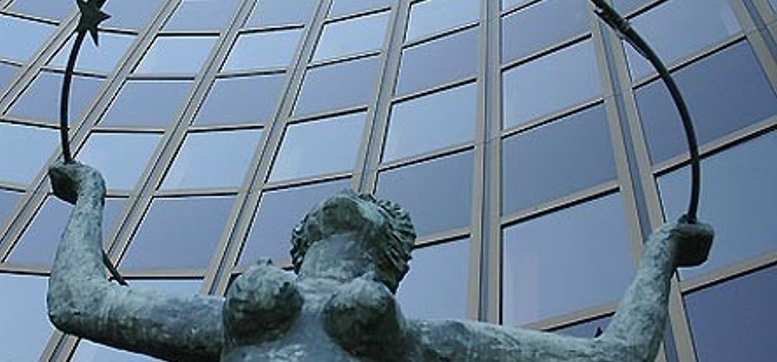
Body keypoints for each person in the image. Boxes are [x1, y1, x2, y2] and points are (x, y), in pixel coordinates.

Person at [47, 161, 713, 362]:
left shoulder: (421, 339)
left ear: (391, 263)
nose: (355, 199)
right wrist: (90, 195)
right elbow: (81, 302)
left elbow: (613, 356)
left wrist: (661, 253)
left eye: (374, 206)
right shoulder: (223, 319)